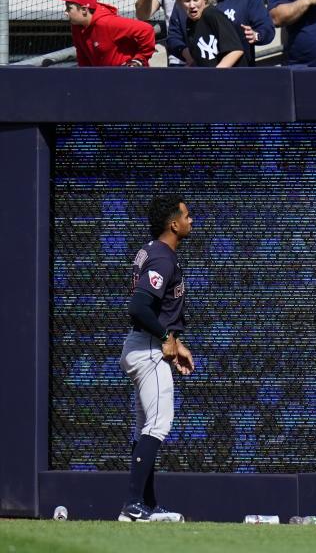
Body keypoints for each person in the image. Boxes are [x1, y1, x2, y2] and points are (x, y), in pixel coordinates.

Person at [118, 195, 194, 522]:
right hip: (148, 348)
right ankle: (132, 504)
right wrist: (166, 338)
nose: (191, 221)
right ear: (173, 224)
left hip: (143, 345)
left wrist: (176, 344)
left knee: (145, 429)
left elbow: (156, 311)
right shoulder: (164, 258)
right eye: (187, 216)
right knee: (160, 424)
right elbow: (137, 307)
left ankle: (145, 505)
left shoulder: (152, 250)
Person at [57, 0, 155, 67]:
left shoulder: (107, 23)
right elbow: (83, 57)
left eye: (69, 8)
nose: (65, 12)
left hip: (131, 79)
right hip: (104, 80)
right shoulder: (77, 26)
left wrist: (139, 60)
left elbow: (147, 30)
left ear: (84, 10)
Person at [176, 0, 245, 68]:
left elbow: (236, 50)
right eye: (187, 1)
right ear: (180, 1)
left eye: (196, 0)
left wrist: (215, 74)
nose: (191, 5)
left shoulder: (212, 15)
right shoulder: (190, 21)